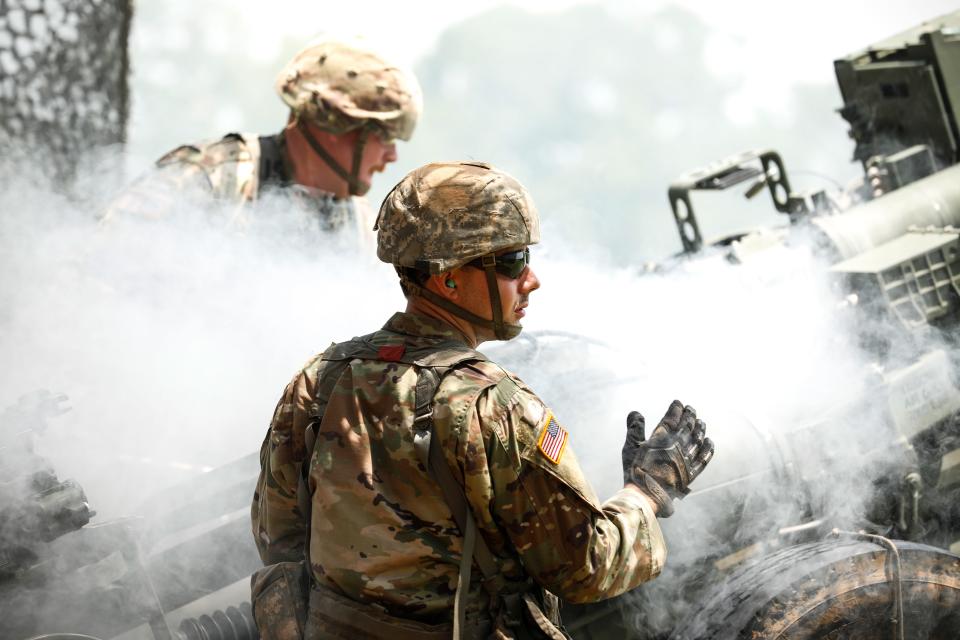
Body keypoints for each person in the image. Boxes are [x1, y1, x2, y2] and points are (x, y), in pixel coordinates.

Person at [250, 161, 715, 639]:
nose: (531, 280)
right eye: (512, 261)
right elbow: (586, 568)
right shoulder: (494, 406)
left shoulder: (318, 380)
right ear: (448, 278)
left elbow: (276, 538)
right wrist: (648, 492)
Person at [101, 35, 421, 239]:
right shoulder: (211, 179)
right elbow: (96, 273)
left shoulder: (359, 228)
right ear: (334, 124)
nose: (391, 156)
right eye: (384, 136)